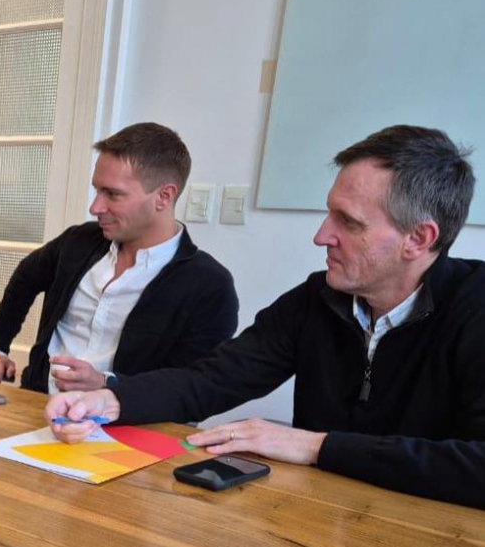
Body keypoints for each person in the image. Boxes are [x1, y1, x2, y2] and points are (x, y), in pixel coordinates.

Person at [47, 125, 485, 509]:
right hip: (314, 523)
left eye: (349, 222)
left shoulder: (475, 310)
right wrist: (111, 399)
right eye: (329, 212)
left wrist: (317, 446)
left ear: (418, 239)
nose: (321, 236)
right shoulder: (316, 300)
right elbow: (213, 378)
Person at [0, 122, 238, 393]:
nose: (95, 207)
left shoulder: (209, 285)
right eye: (97, 190)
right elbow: (26, 277)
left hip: (125, 417)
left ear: (163, 196)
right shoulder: (78, 242)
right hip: (36, 401)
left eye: (112, 194)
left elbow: (193, 386)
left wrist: (108, 385)